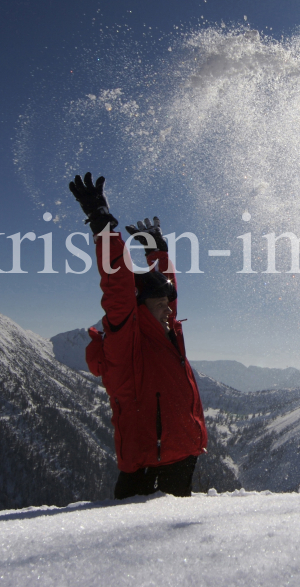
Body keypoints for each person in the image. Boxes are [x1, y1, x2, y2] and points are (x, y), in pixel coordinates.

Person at [68, 172, 207, 499]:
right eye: (160, 305)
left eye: (167, 305)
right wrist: (102, 225)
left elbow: (166, 294)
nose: (170, 310)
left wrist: (157, 250)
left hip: (181, 455)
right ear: (141, 308)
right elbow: (117, 284)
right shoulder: (126, 343)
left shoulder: (165, 328)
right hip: (150, 464)